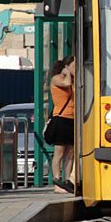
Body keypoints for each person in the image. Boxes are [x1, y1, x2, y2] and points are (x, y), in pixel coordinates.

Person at [48, 56, 75, 194]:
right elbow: (66, 83)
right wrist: (67, 72)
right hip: (61, 119)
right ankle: (57, 182)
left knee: (70, 153)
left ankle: (67, 181)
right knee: (59, 152)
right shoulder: (57, 79)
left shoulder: (73, 81)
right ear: (66, 66)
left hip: (72, 119)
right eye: (74, 66)